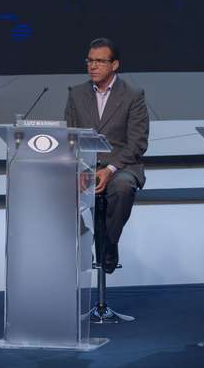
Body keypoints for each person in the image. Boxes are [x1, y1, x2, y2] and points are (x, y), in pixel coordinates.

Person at [65, 37, 149, 274]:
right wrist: (81, 168)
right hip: (85, 166)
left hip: (121, 166)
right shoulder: (76, 94)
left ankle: (109, 242)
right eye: (90, 61)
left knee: (122, 188)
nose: (93, 66)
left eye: (100, 61)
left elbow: (137, 143)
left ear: (114, 65)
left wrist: (109, 169)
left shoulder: (133, 95)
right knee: (57, 187)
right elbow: (70, 137)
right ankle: (82, 242)